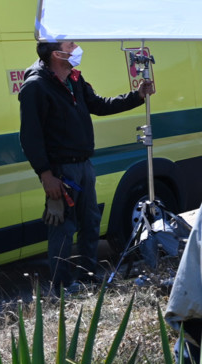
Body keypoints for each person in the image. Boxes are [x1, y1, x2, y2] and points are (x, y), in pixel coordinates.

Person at [19, 40, 155, 285]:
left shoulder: (74, 79)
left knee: (91, 224)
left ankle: (87, 278)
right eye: (70, 44)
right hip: (60, 171)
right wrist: (45, 175)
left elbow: (99, 105)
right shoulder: (35, 87)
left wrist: (137, 96)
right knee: (62, 230)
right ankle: (62, 288)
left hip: (83, 166)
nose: (76, 47)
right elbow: (30, 137)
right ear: (55, 53)